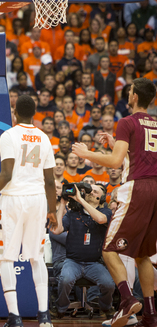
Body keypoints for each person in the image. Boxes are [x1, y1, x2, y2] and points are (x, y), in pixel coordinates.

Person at [72, 77, 157, 327]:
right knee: (142, 254)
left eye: (129, 91)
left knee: (109, 250)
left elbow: (116, 162)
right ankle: (150, 315)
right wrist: (118, 143)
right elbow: (142, 153)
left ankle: (128, 300)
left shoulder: (127, 121)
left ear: (133, 97)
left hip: (138, 188)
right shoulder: (154, 123)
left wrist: (86, 153)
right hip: (155, 187)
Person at [0, 95, 57, 327]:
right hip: (37, 200)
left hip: (13, 200)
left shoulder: (8, 135)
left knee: (5, 257)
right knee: (36, 258)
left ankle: (15, 317)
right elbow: (49, 181)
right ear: (35, 112)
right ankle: (44, 316)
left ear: (14, 111)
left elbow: (5, 175)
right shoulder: (44, 138)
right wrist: (52, 210)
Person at [54, 183, 114, 319]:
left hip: (94, 263)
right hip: (73, 261)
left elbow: (100, 219)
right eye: (89, 190)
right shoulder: (73, 213)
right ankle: (61, 308)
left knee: (109, 284)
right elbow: (57, 230)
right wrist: (63, 203)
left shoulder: (106, 212)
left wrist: (80, 199)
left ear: (101, 198)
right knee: (65, 280)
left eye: (95, 191)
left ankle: (106, 307)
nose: (91, 192)